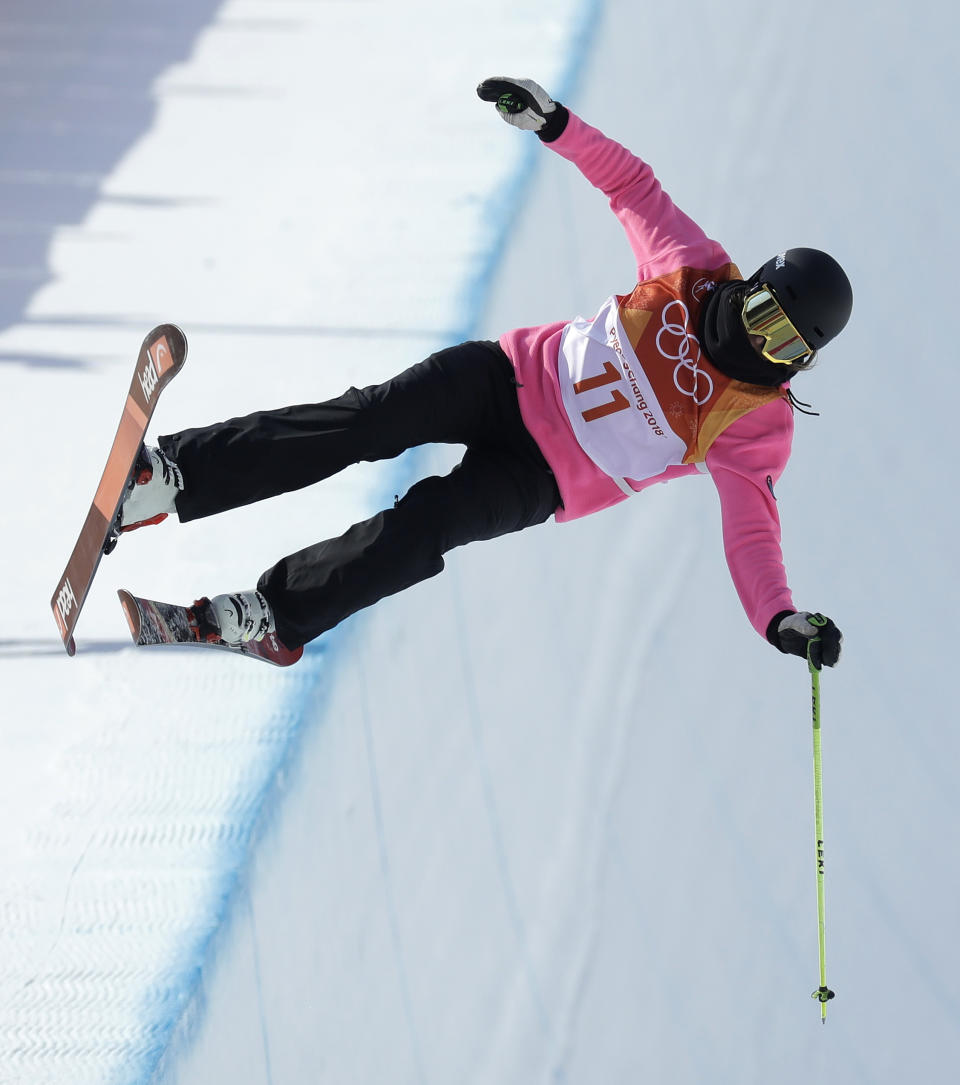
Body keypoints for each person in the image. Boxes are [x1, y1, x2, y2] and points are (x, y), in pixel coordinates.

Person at [117, 76, 847, 669]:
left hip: (544, 479)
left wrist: (779, 617)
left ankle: (274, 618)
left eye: (782, 341)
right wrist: (555, 122)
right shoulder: (693, 267)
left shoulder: (758, 422)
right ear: (752, 284)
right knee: (368, 418)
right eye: (762, 308)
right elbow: (632, 185)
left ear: (798, 361)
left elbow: (752, 537)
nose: (759, 334)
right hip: (509, 378)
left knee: (423, 527)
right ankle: (173, 478)